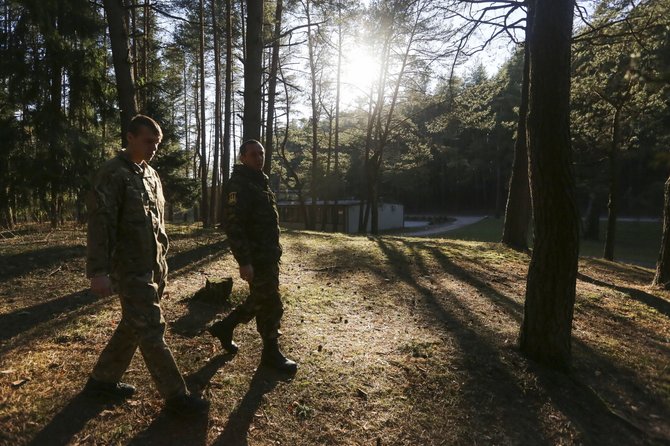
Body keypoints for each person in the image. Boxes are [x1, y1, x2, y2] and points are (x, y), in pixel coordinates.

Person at [84, 114, 208, 415]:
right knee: (151, 328)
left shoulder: (151, 174)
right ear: (130, 137)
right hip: (127, 269)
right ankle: (176, 398)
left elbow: (158, 227)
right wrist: (98, 271)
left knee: (133, 325)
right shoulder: (112, 174)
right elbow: (100, 225)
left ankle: (101, 381)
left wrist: (162, 267)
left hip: (151, 268)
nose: (153, 148)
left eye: (157, 143)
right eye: (148, 141)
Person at [208, 139, 297, 373]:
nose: (259, 158)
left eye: (261, 154)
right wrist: (244, 262)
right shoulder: (239, 185)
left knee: (259, 299)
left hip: (268, 256)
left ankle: (225, 327)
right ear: (242, 157)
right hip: (255, 258)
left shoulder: (260, 183)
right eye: (253, 154)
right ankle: (271, 354)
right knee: (271, 303)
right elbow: (234, 227)